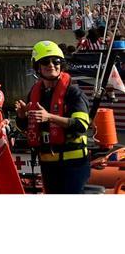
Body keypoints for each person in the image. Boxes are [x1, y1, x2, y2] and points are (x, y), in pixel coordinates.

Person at [14, 41, 91, 194]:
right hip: (48, 165)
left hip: (73, 165)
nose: (51, 65)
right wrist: (22, 117)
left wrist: (50, 117)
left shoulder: (73, 93)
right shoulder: (35, 93)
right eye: (45, 62)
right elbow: (26, 128)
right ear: (37, 67)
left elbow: (81, 125)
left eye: (56, 61)